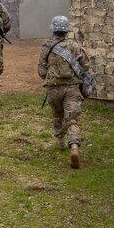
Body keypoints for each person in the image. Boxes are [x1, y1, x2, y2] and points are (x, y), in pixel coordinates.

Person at [37, 15, 91, 169]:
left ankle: (60, 141)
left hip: (53, 89)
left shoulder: (47, 47)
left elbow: (41, 71)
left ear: (53, 30)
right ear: (67, 30)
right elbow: (86, 66)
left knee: (57, 115)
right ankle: (74, 148)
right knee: (72, 119)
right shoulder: (75, 46)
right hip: (72, 88)